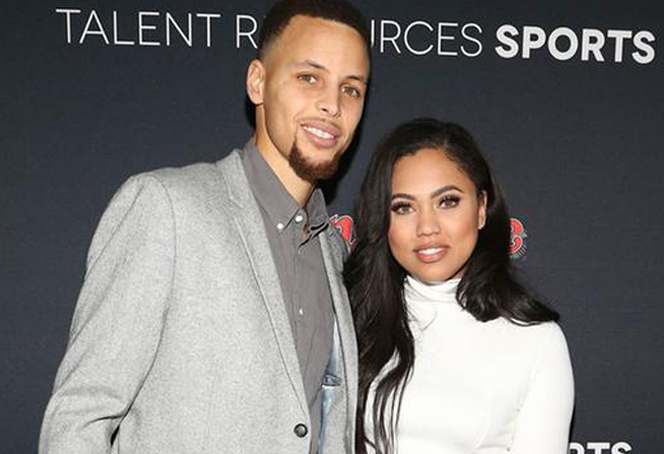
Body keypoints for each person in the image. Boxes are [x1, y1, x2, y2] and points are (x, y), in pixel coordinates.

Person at [38, 1, 370, 453]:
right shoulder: (167, 207)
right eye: (309, 77)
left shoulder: (331, 247)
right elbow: (81, 415)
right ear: (258, 81)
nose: (331, 104)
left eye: (350, 89)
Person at [345, 119, 574, 454]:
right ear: (383, 220)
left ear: (481, 209)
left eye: (447, 201)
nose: (427, 227)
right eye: (404, 207)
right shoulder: (350, 320)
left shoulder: (536, 340)